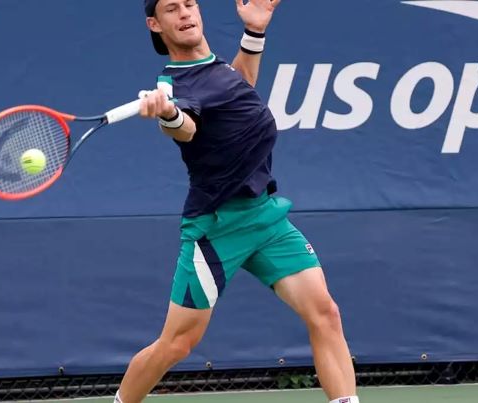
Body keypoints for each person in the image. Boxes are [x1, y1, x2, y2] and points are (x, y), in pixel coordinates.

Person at [115, 1, 360, 402]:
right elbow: (186, 129)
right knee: (176, 344)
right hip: (217, 228)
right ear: (154, 24)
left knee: (325, 313)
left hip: (266, 218)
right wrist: (168, 112)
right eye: (171, 8)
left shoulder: (218, 70)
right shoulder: (174, 85)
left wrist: (254, 33)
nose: (184, 13)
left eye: (189, 3)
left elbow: (240, 82)